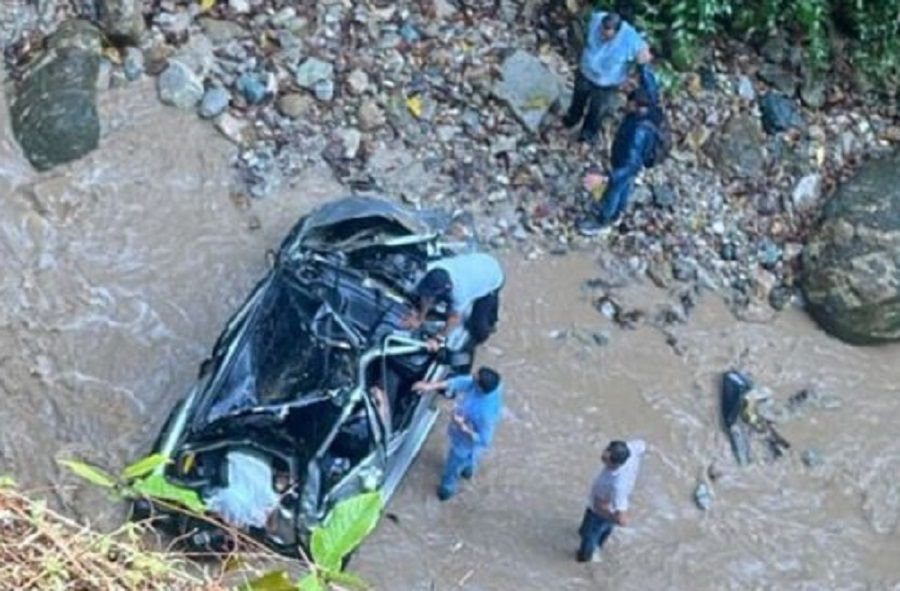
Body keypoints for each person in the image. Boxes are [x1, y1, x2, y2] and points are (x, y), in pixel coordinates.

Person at [577, 64, 662, 236]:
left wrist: (605, 178)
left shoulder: (638, 133)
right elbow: (651, 84)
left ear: (637, 106)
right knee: (626, 185)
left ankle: (603, 220)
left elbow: (629, 166)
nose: (626, 105)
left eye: (629, 103)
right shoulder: (650, 102)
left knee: (614, 189)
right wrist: (644, 66)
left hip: (626, 162)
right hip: (631, 159)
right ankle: (617, 213)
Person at [412, 367, 504, 501]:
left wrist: (463, 426)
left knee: (453, 465)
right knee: (468, 461)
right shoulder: (493, 387)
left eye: (475, 378)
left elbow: (484, 440)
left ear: (480, 388)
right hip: (466, 433)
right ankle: (468, 469)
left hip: (466, 443)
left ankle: (447, 488)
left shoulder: (485, 414)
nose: (472, 377)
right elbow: (459, 382)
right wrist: (430, 386)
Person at [563, 11, 652, 145]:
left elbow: (644, 53)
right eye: (601, 30)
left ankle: (587, 136)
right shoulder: (596, 19)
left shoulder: (629, 39)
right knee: (578, 99)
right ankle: (571, 119)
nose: (602, 34)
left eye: (607, 33)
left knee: (597, 111)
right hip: (586, 72)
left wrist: (642, 59)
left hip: (606, 83)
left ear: (616, 32)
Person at [405, 252, 504, 350]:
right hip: (480, 261)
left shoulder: (460, 293)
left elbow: (454, 319)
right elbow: (426, 297)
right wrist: (420, 317)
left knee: (479, 326)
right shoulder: (434, 266)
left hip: (493, 277)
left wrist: (438, 339)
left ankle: (489, 326)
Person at [577, 439, 647, 562]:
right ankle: (597, 545)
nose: (604, 454)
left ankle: (586, 560)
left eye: (606, 457)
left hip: (600, 513)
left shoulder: (617, 485)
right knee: (585, 532)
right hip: (599, 507)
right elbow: (642, 445)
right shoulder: (631, 449)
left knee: (588, 544)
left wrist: (603, 511)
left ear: (615, 463)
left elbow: (622, 520)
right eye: (607, 450)